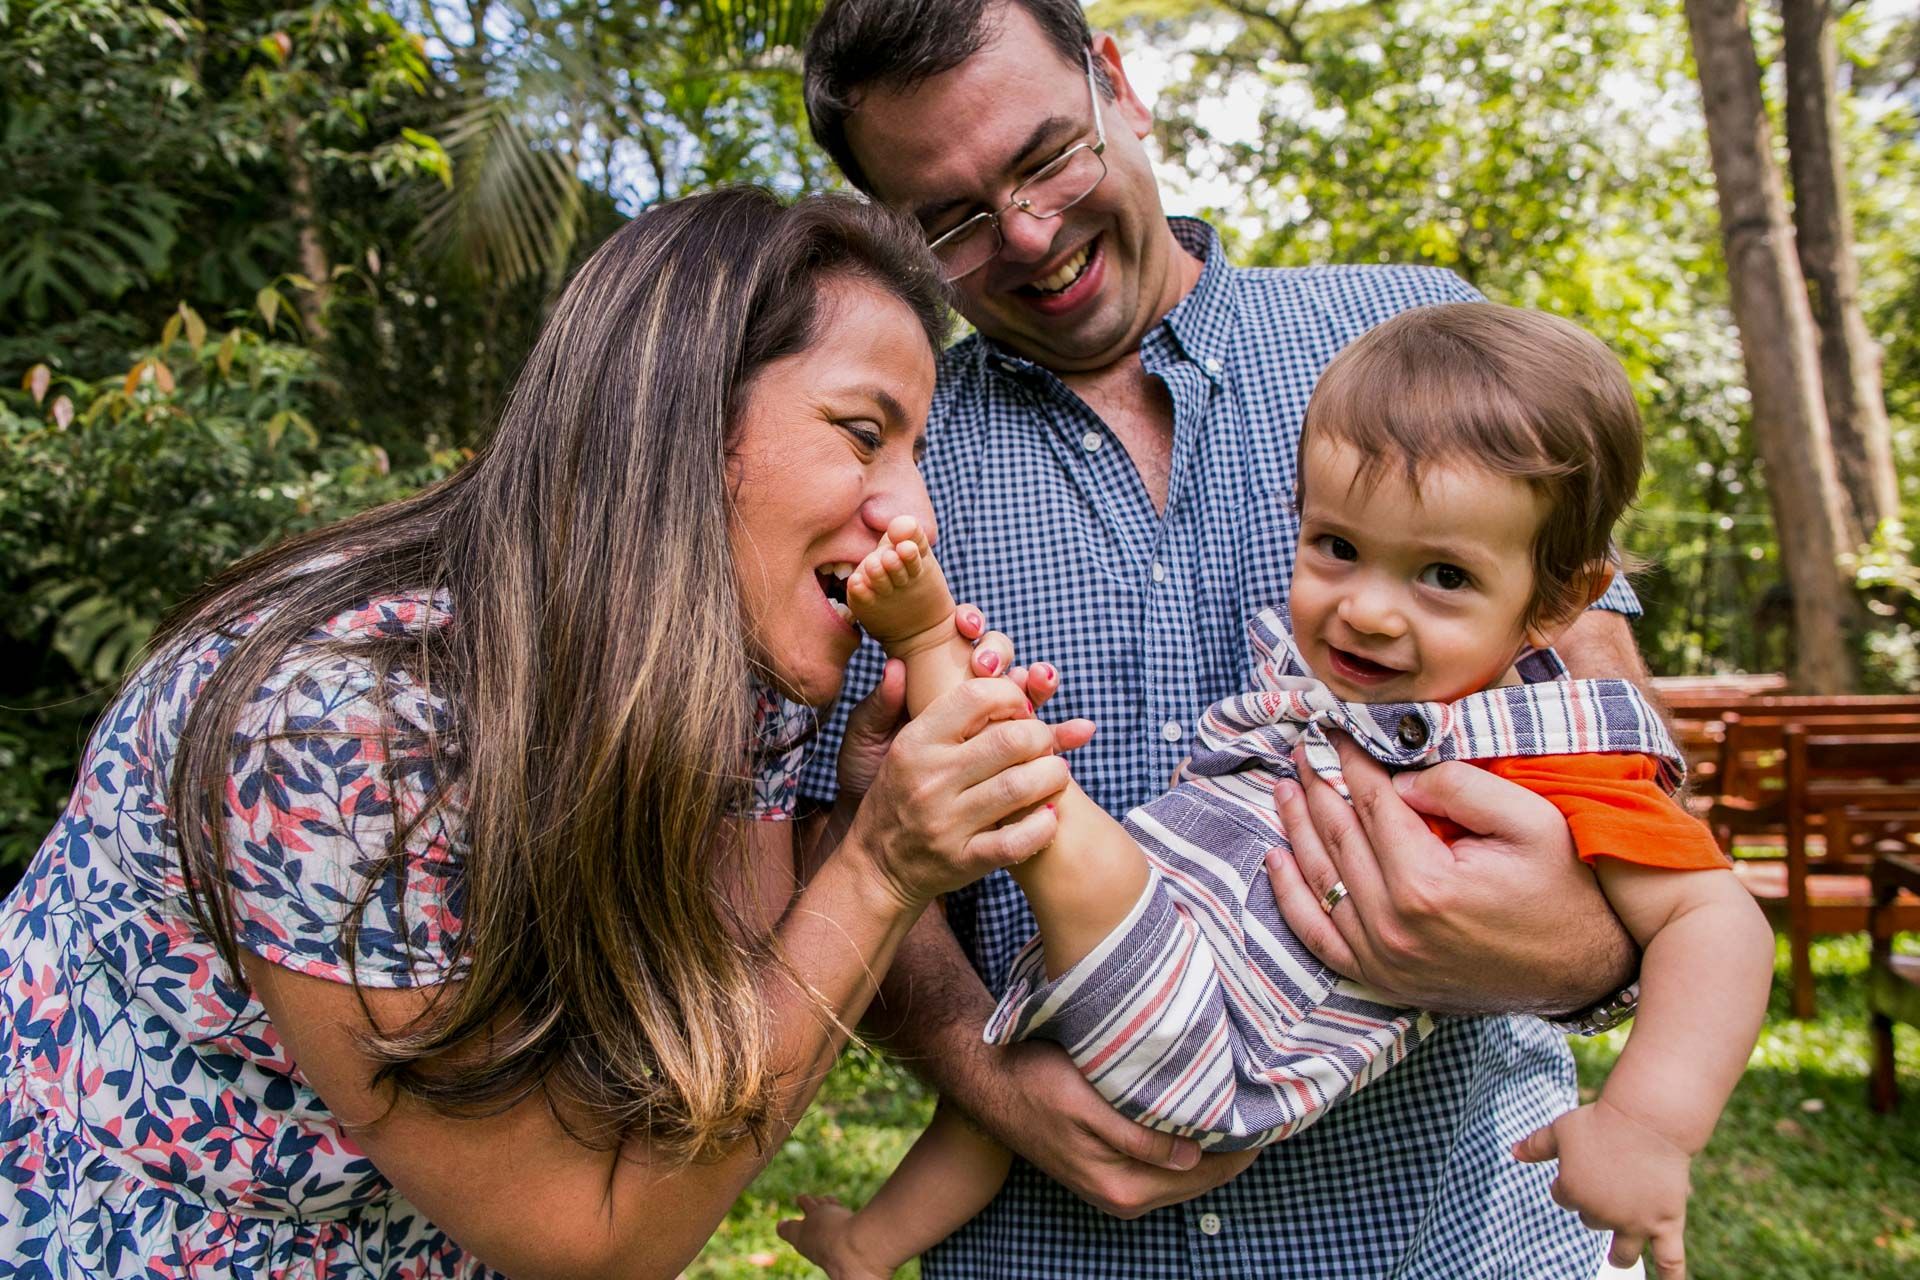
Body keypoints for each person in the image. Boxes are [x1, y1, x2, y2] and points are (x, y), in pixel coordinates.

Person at [0, 188, 1084, 1280]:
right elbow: (594, 1238)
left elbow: (706, 1086)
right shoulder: (335, 724)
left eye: (917, 452)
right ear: (681, 414)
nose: (916, 512)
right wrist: (885, 860)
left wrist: (857, 809)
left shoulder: (751, 688)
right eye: (864, 433)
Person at [798, 3, 1688, 1276]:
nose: (1032, 236)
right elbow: (820, 832)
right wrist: (979, 1072)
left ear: (1119, 85)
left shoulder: (1425, 351)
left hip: (1452, 1233)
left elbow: (1622, 745)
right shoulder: (880, 469)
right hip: (1052, 1247)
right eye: (953, 218)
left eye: (1049, 158)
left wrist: (1584, 942)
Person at [779, 303, 1775, 1279]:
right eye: (1337, 547)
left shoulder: (1547, 749)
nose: (1369, 610)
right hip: (1134, 997)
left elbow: (1715, 916)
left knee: (1045, 817)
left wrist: (1648, 1121)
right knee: (996, 1101)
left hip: (1212, 1033)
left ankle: (925, 636)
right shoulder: (1318, 684)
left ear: (1555, 601)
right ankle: (868, 1246)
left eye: (1442, 575)